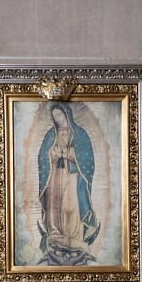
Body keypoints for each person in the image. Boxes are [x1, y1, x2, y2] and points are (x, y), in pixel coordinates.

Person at [37, 103, 101, 266]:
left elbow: (87, 158)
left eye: (60, 115)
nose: (58, 119)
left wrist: (70, 154)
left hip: (73, 177)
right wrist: (52, 154)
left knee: (71, 207)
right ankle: (55, 235)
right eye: (55, 117)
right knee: (55, 208)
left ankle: (74, 240)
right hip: (55, 177)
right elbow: (43, 157)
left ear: (67, 114)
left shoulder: (79, 134)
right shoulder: (50, 135)